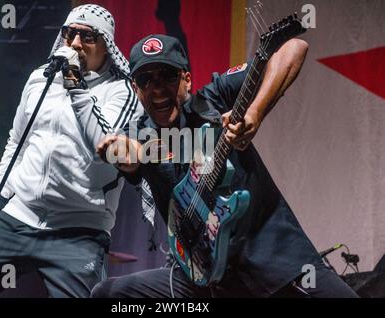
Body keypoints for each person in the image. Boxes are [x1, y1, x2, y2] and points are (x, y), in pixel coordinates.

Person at [92, 34, 359, 298]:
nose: (158, 88)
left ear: (187, 79)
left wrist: (255, 113)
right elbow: (130, 157)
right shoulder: (141, 136)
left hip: (277, 263)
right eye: (145, 79)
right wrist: (121, 152)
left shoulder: (214, 99)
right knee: (108, 293)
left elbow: (294, 48)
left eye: (168, 75)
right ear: (135, 89)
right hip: (204, 279)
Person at [0, 4, 143, 298]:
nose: (75, 44)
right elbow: (16, 141)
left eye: (88, 37)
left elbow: (105, 147)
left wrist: (76, 87)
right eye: (69, 34)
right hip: (19, 216)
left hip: (78, 230)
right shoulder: (40, 79)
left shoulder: (121, 91)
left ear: (107, 46)